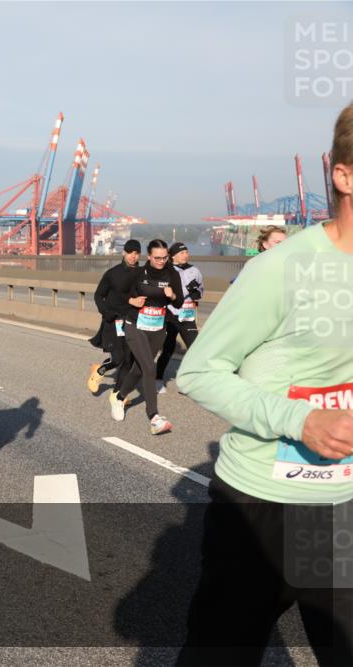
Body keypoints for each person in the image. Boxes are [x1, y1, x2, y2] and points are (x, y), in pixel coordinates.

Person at [176, 102, 353, 666]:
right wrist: (300, 420)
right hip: (260, 515)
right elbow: (199, 372)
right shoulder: (281, 268)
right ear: (344, 175)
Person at [110, 239, 183, 435]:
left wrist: (173, 296)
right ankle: (154, 417)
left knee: (139, 368)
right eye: (157, 258)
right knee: (150, 368)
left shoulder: (172, 274)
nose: (161, 261)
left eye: (164, 257)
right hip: (135, 325)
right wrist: (131, 300)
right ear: (149, 257)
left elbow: (179, 303)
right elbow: (116, 295)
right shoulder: (137, 274)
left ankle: (119, 397)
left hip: (158, 327)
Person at [88, 239, 141, 394]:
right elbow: (99, 295)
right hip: (114, 320)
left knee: (129, 359)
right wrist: (106, 312)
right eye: (130, 252)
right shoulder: (112, 273)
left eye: (136, 253)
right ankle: (99, 372)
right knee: (118, 359)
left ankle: (117, 395)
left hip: (133, 320)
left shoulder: (142, 273)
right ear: (124, 252)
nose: (132, 256)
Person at [154, 242, 203, 393]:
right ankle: (158, 379)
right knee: (168, 349)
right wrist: (188, 288)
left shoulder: (195, 270)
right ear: (173, 256)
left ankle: (187, 382)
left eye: (186, 252)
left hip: (187, 314)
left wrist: (197, 292)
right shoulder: (167, 270)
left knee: (195, 349)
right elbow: (165, 290)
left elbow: (200, 291)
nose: (185, 255)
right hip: (171, 314)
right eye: (182, 253)